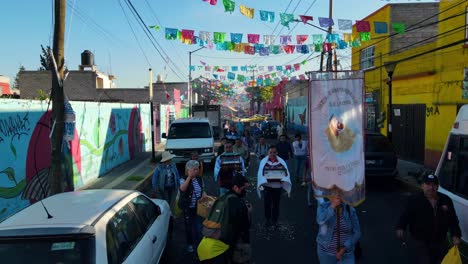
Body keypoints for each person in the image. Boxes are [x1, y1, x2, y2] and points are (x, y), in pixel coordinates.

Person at [396, 174, 461, 264]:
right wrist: (400, 227)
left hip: (440, 241)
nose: (431, 187)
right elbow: (406, 215)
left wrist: (456, 235)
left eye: (434, 185)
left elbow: (453, 219)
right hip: (420, 241)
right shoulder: (414, 200)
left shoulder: (446, 200)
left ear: (437, 187)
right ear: (422, 186)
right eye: (428, 184)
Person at [198, 176, 251, 263]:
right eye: (244, 188)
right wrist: (247, 212)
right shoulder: (239, 203)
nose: (245, 191)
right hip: (216, 253)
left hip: (203, 248)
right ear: (235, 187)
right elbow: (244, 228)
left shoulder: (222, 198)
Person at [316, 194, 361, 263]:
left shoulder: (350, 210)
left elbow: (357, 232)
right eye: (332, 193)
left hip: (346, 254)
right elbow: (320, 220)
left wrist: (344, 248)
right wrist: (332, 206)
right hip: (325, 253)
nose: (336, 196)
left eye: (339, 193)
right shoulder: (323, 207)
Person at [257, 145, 292, 227]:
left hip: (277, 187)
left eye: (274, 152)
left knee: (276, 204)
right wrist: (263, 180)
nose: (272, 154)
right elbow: (260, 173)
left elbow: (286, 172)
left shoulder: (281, 161)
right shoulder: (263, 161)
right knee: (267, 204)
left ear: (277, 153)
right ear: (268, 153)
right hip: (267, 187)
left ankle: (275, 220)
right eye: (271, 152)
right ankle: (268, 219)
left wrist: (283, 178)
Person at [180, 160, 205, 253]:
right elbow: (183, 188)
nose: (197, 171)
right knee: (189, 226)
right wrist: (189, 178)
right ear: (189, 170)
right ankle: (190, 244)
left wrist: (204, 197)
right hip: (188, 208)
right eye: (194, 169)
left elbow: (202, 190)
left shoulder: (199, 178)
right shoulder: (183, 178)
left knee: (198, 226)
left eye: (197, 169)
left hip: (197, 207)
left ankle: (199, 244)